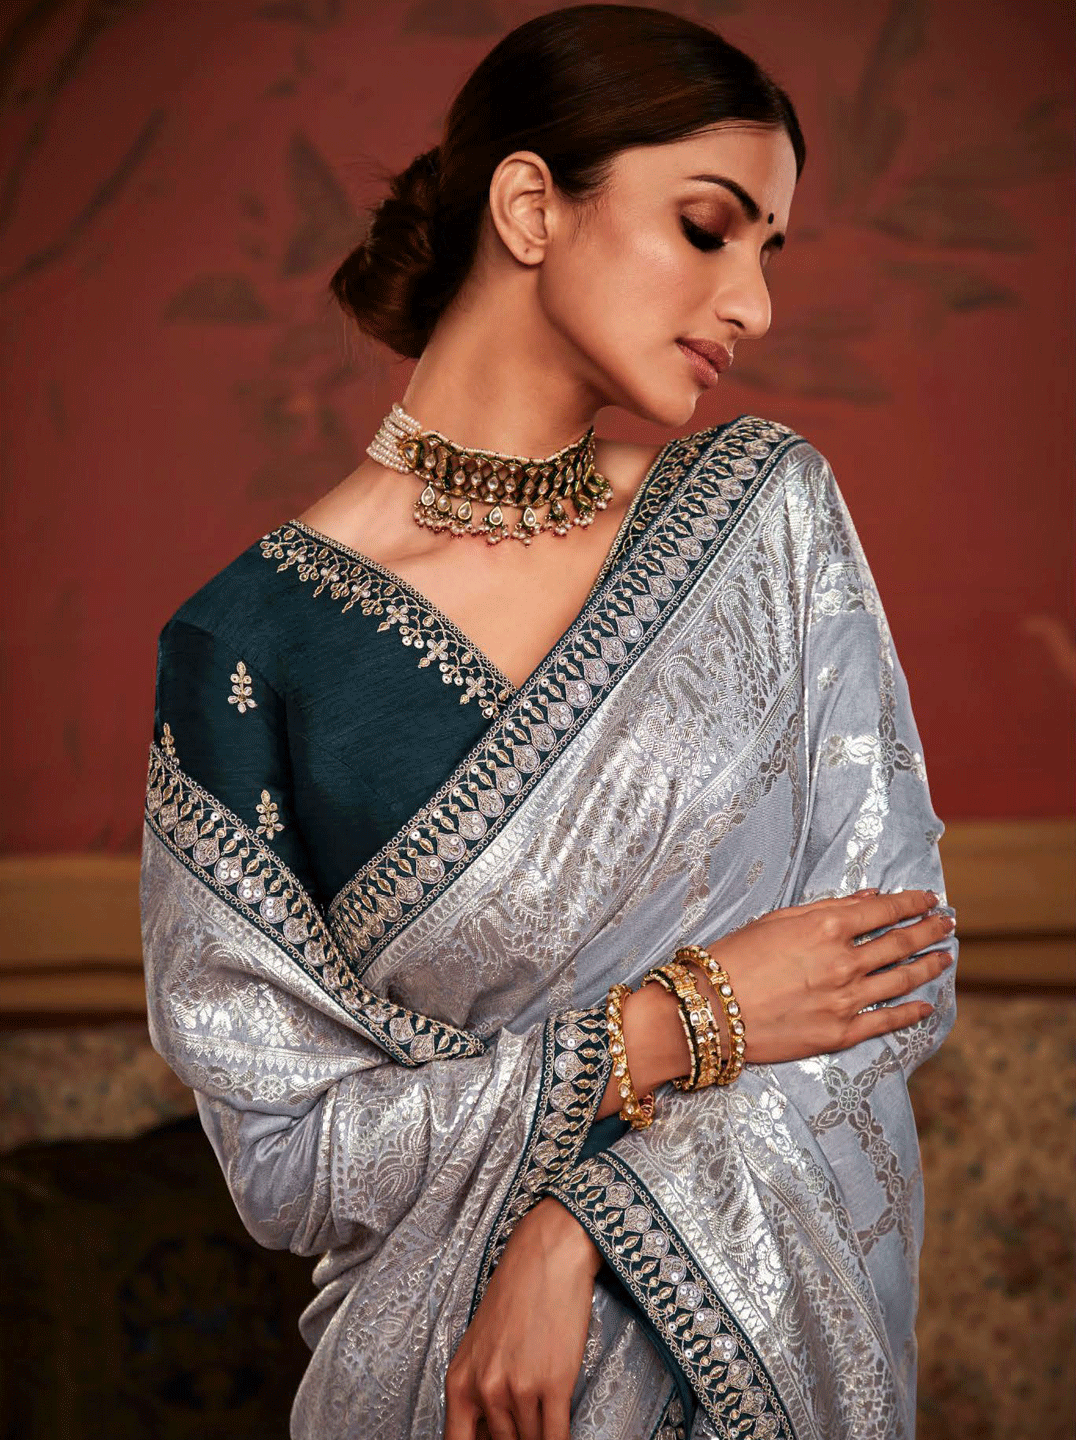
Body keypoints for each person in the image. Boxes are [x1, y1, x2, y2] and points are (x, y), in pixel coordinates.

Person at [139, 6, 958, 1438]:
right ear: (530, 207)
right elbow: (288, 1160)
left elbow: (889, 978)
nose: (755, 303)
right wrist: (671, 1022)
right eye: (709, 228)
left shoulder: (762, 523)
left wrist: (580, 1226)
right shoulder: (247, 649)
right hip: (435, 1387)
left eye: (771, 249)